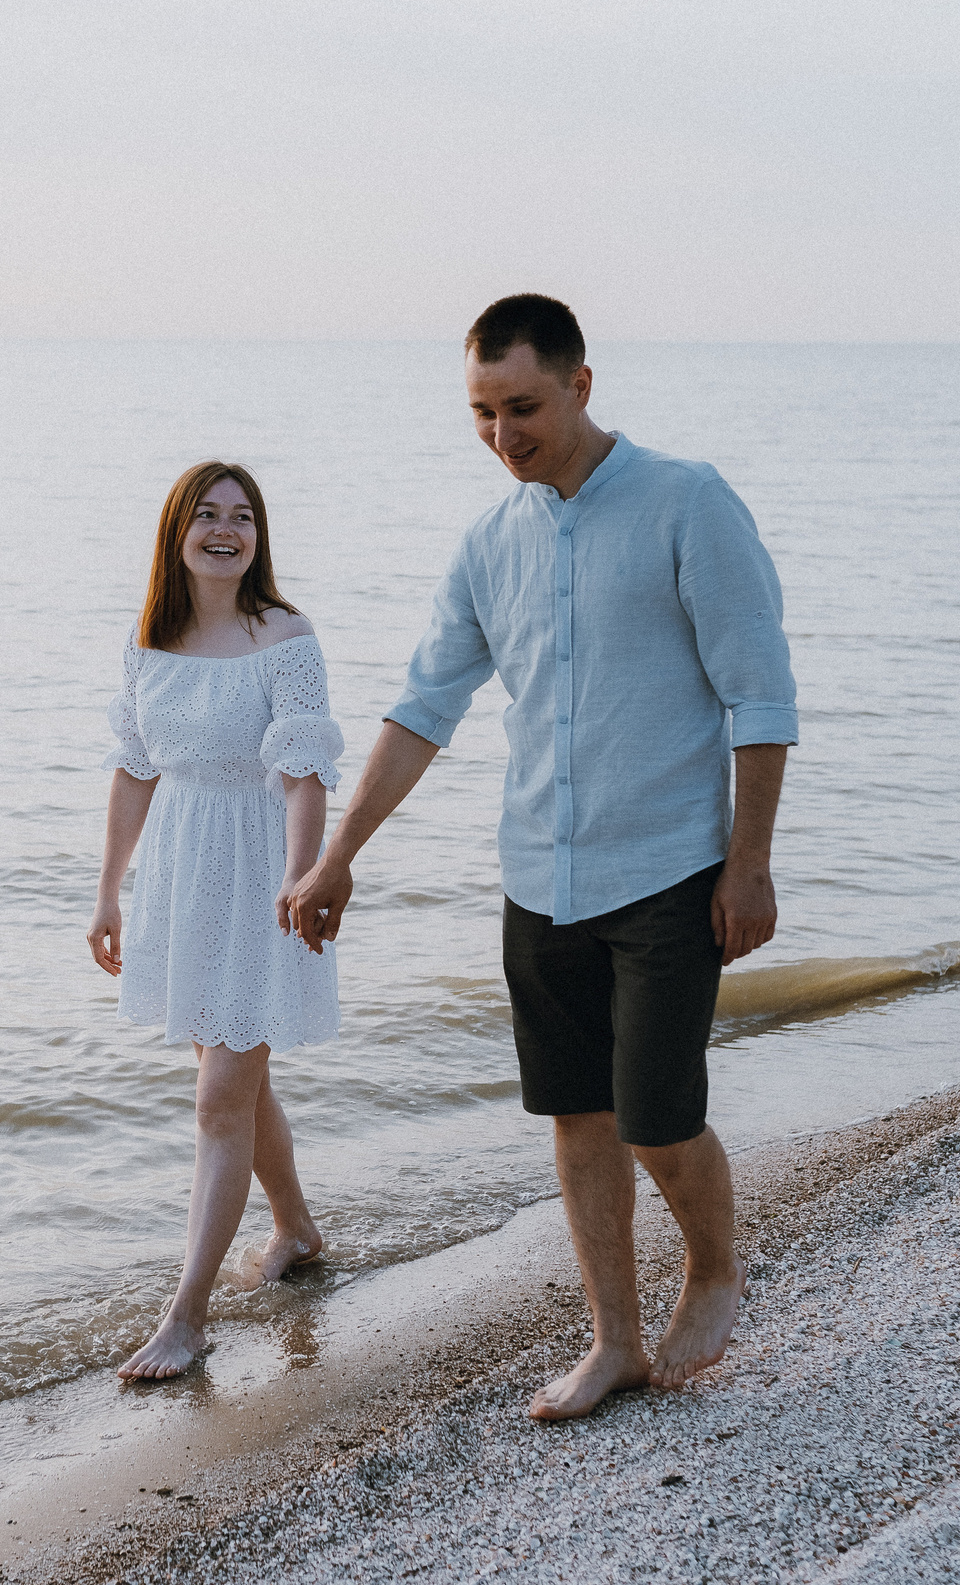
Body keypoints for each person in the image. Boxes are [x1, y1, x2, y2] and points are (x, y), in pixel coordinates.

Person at [278, 294, 797, 1420]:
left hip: (668, 868)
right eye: (481, 412)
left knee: (657, 1114)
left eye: (521, 407)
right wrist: (337, 855)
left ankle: (714, 1269)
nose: (501, 434)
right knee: (576, 1115)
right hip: (538, 876)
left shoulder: (686, 502)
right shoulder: (487, 544)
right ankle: (613, 1342)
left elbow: (759, 697)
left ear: (580, 385)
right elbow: (423, 709)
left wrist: (748, 863)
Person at [89, 460, 344, 1380]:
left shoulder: (286, 637)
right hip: (180, 878)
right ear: (178, 531)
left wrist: (302, 874)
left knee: (219, 1098)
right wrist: (108, 891)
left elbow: (305, 772)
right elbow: (134, 770)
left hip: (263, 877)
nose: (226, 530)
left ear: (259, 536)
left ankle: (186, 1316)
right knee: (235, 1081)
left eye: (243, 516)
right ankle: (297, 1228)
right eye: (207, 514)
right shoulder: (148, 640)